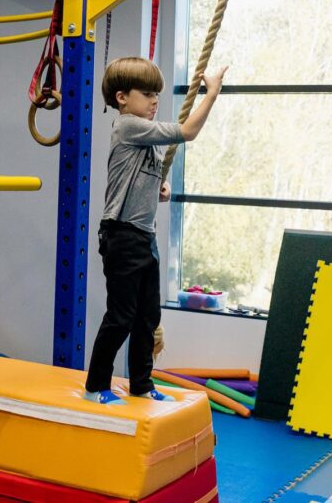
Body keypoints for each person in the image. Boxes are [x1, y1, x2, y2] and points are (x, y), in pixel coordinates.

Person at [84, 56, 228, 406]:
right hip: (122, 234)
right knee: (120, 316)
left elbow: (137, 180)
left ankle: (141, 384)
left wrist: (157, 190)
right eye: (147, 93)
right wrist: (211, 93)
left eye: (156, 95)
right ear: (122, 97)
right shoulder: (128, 125)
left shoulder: (140, 133)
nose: (154, 101)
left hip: (142, 235)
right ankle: (94, 386)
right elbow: (188, 132)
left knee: (148, 317)